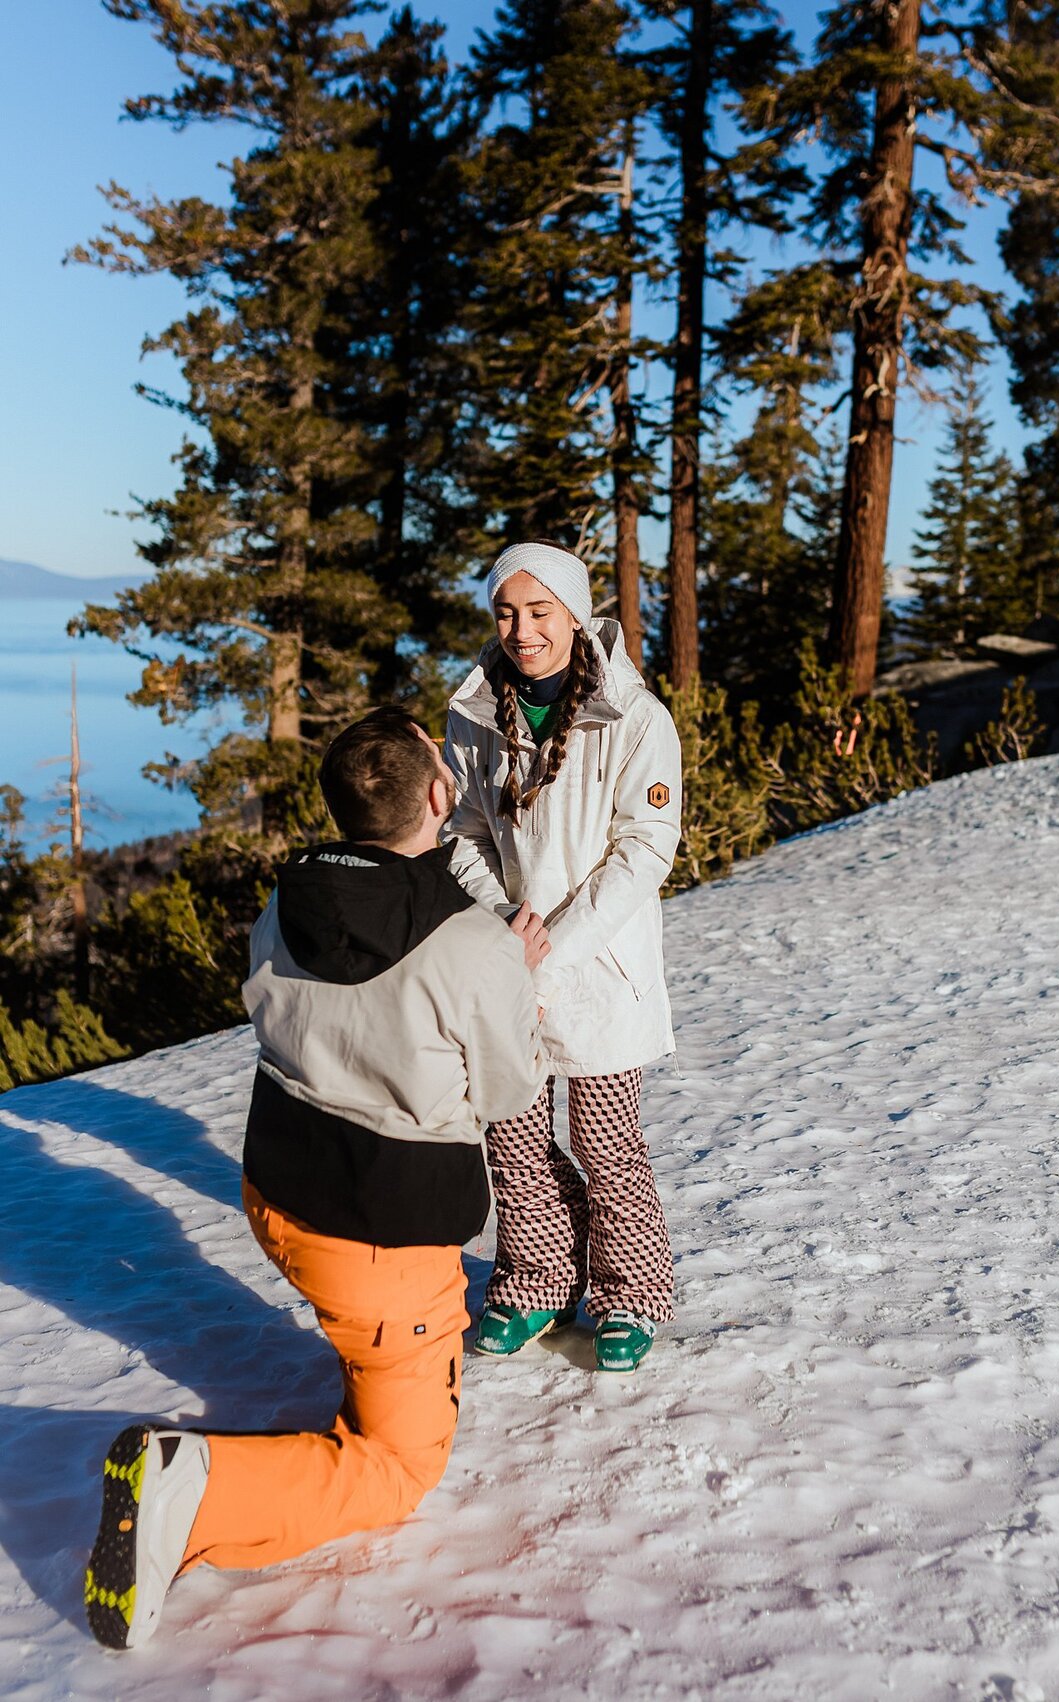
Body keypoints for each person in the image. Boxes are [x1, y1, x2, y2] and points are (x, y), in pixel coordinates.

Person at [84, 707, 549, 1651]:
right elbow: (509, 1089)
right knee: (397, 1468)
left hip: (277, 1195)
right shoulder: (473, 947)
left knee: (367, 1340)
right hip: (379, 1242)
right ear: (437, 793)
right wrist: (514, 973)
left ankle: (364, 1363)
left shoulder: (285, 903)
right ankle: (195, 1486)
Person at [443, 540, 682, 1374]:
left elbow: (646, 850)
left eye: (539, 612)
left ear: (575, 616)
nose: (522, 630)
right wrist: (503, 917)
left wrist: (559, 942)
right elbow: (460, 834)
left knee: (607, 1140)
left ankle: (630, 1292)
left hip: (599, 966)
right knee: (510, 1133)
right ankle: (539, 1275)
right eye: (507, 612)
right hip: (503, 958)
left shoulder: (634, 718)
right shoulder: (473, 713)